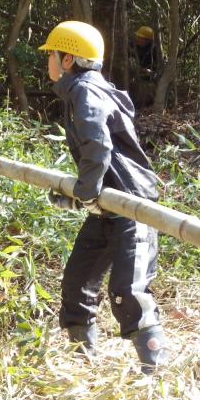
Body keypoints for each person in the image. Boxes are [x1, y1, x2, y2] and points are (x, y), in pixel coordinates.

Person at [39, 20, 167, 374]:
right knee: (77, 284)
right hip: (105, 208)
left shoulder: (85, 91)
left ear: (67, 59)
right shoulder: (84, 88)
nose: (47, 61)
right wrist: (85, 196)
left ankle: (154, 375)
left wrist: (86, 191)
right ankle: (85, 364)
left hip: (131, 206)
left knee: (129, 292)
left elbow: (97, 144)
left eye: (51, 54)